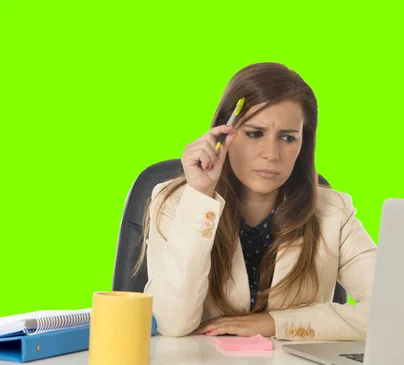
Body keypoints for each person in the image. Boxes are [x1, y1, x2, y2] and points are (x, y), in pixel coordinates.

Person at [134, 62, 376, 341]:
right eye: (254, 133)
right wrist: (201, 195)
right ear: (225, 133)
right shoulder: (177, 203)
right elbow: (172, 323)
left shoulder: (334, 212)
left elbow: (393, 311)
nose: (271, 154)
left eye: (287, 138)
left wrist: (276, 323)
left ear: (303, 145)